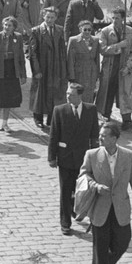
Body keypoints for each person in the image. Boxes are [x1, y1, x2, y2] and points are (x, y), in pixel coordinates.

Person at [80, 121, 132, 264]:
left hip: (120, 208)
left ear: (115, 138)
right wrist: (96, 186)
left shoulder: (128, 156)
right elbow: (84, 175)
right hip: (100, 208)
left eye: (104, 136)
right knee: (100, 248)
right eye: (100, 135)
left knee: (123, 242)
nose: (100, 138)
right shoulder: (92, 155)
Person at [49, 82, 100, 235]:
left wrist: (95, 157)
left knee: (81, 189)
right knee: (65, 191)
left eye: (71, 95)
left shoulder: (91, 110)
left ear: (79, 95)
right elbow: (54, 135)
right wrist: (52, 157)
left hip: (83, 160)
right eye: (67, 94)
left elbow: (94, 136)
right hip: (65, 158)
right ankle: (65, 223)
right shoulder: (59, 111)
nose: (67, 97)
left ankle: (74, 207)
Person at [27, 7, 68, 131]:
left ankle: (51, 119)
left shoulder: (60, 30)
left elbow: (62, 50)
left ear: (56, 18)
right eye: (47, 17)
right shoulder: (37, 31)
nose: (49, 20)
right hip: (43, 66)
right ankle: (38, 118)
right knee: (40, 93)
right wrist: (36, 70)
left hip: (56, 66)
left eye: (52, 17)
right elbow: (32, 53)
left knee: (55, 93)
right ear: (43, 17)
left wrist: (63, 69)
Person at [97, 7, 132, 127]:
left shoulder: (130, 31)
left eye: (117, 18)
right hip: (110, 66)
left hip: (123, 67)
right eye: (113, 18)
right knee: (107, 91)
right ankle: (105, 116)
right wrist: (119, 45)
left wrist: (128, 67)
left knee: (125, 92)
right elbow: (102, 49)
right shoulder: (105, 31)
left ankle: (127, 120)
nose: (115, 20)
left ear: (123, 19)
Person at [0, 15, 27, 132]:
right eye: (5, 25)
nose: (7, 27)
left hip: (12, 70)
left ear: (14, 27)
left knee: (9, 99)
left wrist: (23, 74)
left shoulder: (18, 38)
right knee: (1, 97)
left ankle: (5, 123)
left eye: (10, 25)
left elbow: (21, 57)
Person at [67, 20, 102, 102]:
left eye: (89, 30)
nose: (87, 32)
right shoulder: (73, 40)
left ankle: (88, 112)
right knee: (78, 94)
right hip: (79, 72)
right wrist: (71, 77)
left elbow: (97, 59)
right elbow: (70, 60)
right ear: (80, 29)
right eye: (85, 30)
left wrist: (97, 75)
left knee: (90, 94)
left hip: (91, 72)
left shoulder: (95, 40)